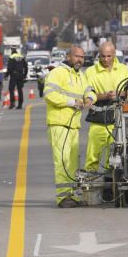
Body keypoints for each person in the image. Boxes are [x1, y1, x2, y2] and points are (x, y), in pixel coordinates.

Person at [43, 45, 96, 208]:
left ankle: (72, 195)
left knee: (72, 162)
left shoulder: (80, 75)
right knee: (62, 162)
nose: (80, 60)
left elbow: (90, 90)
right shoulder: (57, 73)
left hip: (73, 125)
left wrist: (90, 98)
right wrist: (72, 102)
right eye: (77, 56)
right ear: (68, 57)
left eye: (82, 57)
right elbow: (49, 94)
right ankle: (64, 197)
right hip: (59, 123)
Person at [82, 41, 128, 173]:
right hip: (98, 121)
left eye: (109, 56)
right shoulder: (91, 72)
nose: (105, 59)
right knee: (92, 158)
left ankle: (111, 189)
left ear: (114, 55)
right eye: (102, 56)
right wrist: (105, 96)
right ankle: (91, 189)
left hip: (117, 121)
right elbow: (87, 92)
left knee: (115, 159)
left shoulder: (124, 70)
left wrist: (120, 94)